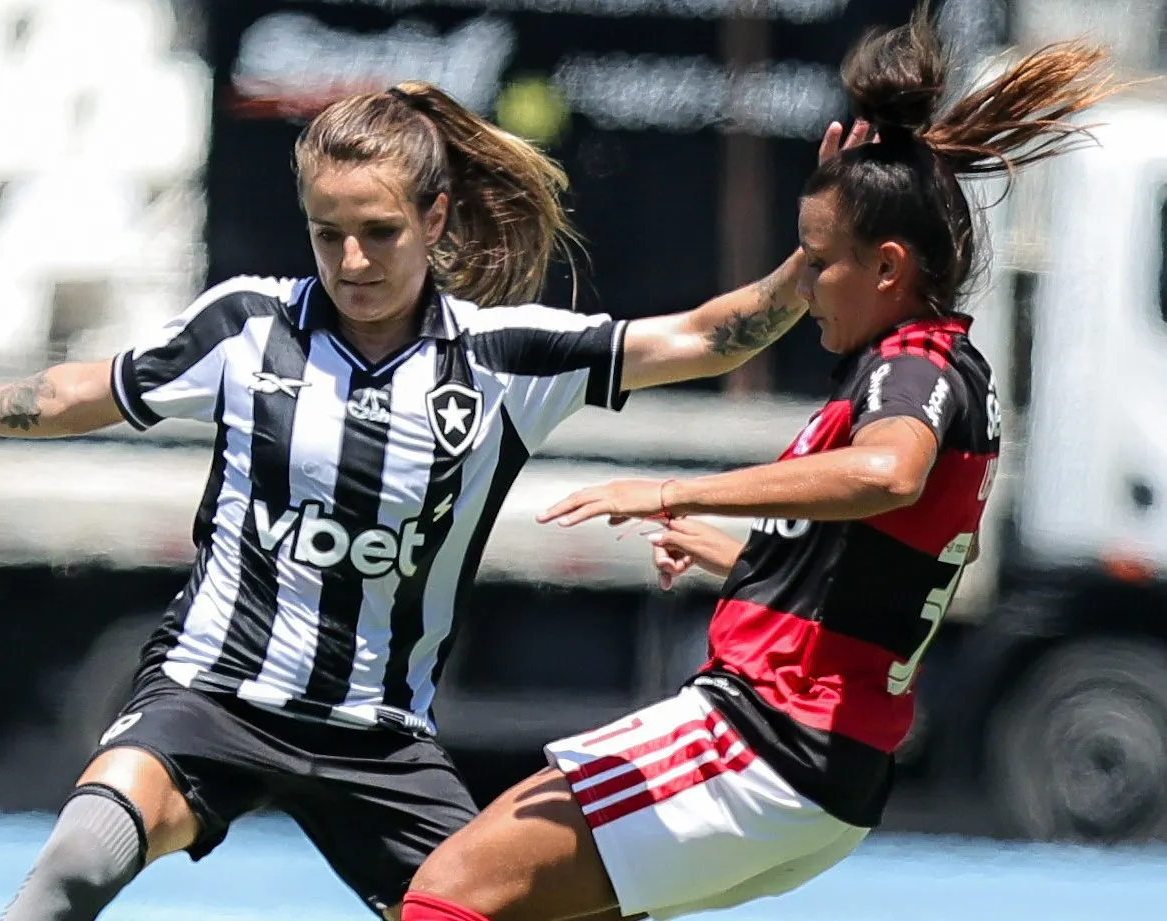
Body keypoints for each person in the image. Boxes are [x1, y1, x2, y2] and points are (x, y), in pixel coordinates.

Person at [0, 80, 822, 921]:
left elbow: (709, 337)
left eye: (379, 231)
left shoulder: (505, 358)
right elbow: (84, 391)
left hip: (383, 743)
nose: (351, 259)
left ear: (435, 217)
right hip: (211, 698)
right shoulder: (246, 325)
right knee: (73, 862)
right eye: (325, 231)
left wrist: (818, 248)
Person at [399, 14, 1119, 921]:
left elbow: (886, 474)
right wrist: (732, 554)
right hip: (822, 772)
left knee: (447, 894)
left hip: (767, 741)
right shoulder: (944, 367)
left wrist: (679, 486)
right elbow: (882, 572)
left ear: (888, 268)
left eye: (819, 263)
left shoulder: (912, 369)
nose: (802, 287)